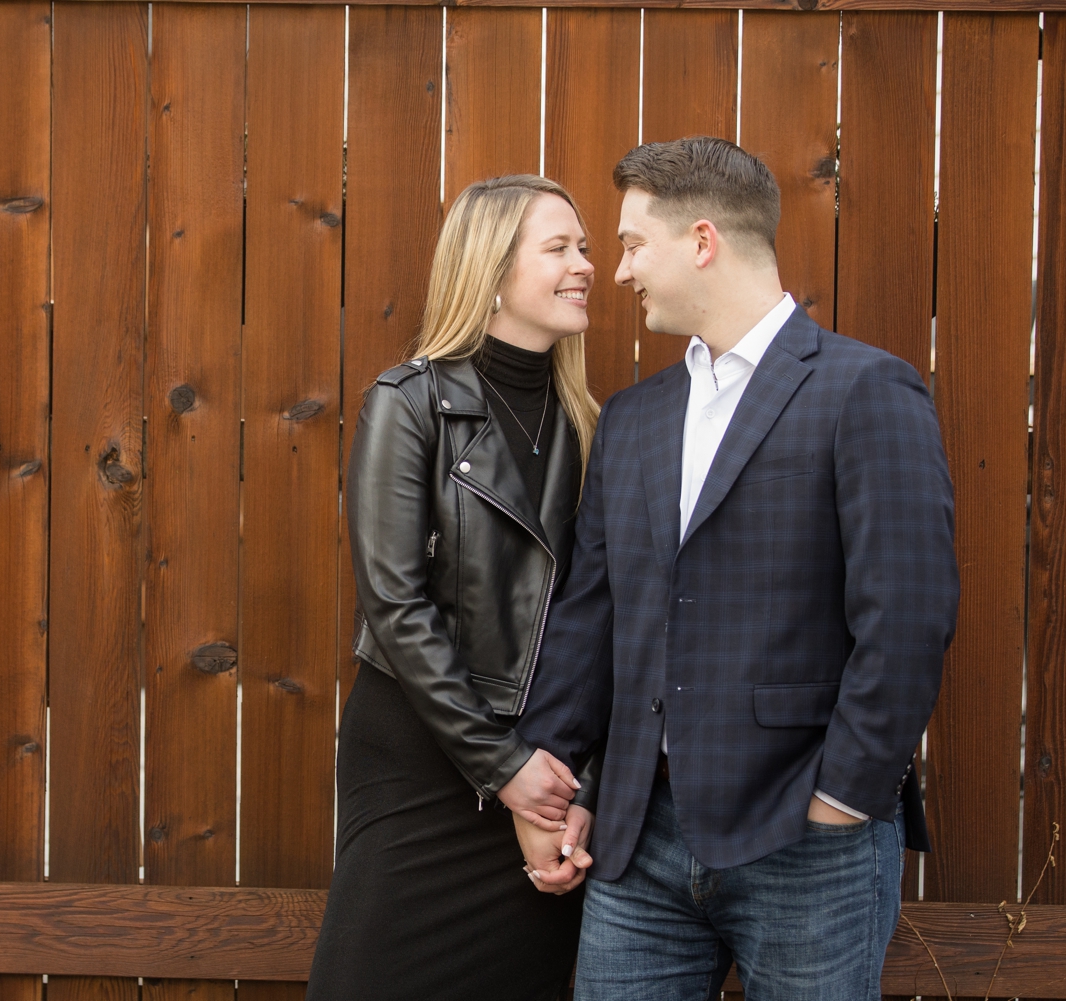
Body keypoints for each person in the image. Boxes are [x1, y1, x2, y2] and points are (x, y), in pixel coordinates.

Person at [512, 137, 960, 1000]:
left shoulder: (865, 390)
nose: (621, 270)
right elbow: (591, 611)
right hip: (638, 840)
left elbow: (907, 611)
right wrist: (552, 786)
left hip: (806, 836)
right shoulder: (637, 418)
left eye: (635, 244)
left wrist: (844, 798)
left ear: (703, 241)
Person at [305, 175, 605, 1001]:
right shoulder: (409, 403)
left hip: (543, 767)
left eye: (585, 246)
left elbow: (603, 624)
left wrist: (573, 788)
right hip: (419, 757)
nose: (586, 265)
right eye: (559, 248)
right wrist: (502, 767)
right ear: (492, 269)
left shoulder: (593, 426)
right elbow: (396, 605)